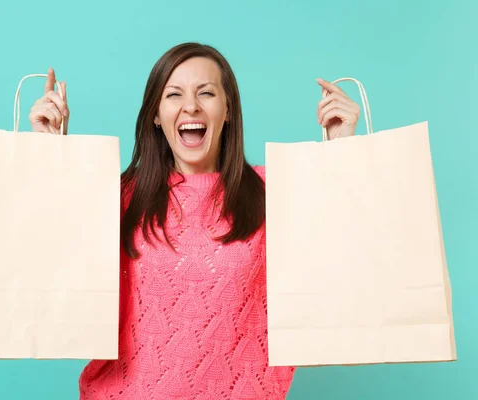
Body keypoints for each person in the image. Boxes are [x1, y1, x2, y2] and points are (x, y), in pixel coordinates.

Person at [29, 42, 361, 399]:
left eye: (206, 92)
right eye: (174, 94)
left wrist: (340, 153)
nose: (191, 105)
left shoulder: (274, 191)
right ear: (156, 114)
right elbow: (56, 263)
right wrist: (51, 153)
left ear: (228, 110)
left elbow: (337, 263)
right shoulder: (121, 195)